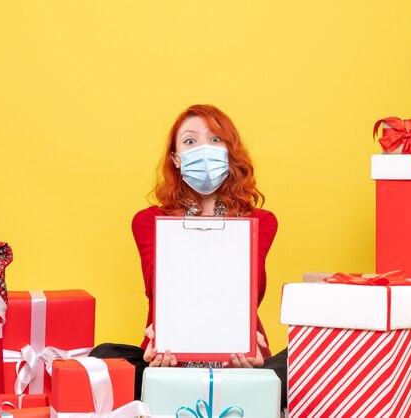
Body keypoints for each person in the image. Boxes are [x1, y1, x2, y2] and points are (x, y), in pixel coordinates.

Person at [91, 104, 286, 404]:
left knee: (301, 362)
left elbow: (251, 294)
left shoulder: (261, 222)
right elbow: (160, 291)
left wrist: (250, 347)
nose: (203, 149)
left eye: (215, 140)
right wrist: (161, 342)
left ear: (230, 152)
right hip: (168, 357)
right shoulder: (148, 221)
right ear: (177, 159)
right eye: (191, 141)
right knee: (100, 359)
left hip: (240, 359)